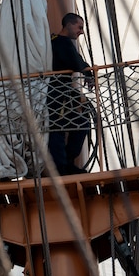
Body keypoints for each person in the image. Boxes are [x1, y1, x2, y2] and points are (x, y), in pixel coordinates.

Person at [47, 13, 94, 175]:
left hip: (59, 93)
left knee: (77, 123)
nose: (81, 32)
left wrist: (86, 70)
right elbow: (76, 62)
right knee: (59, 128)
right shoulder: (63, 44)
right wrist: (88, 72)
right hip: (57, 94)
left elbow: (78, 60)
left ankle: (65, 164)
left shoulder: (56, 42)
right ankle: (62, 167)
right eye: (79, 27)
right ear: (68, 25)